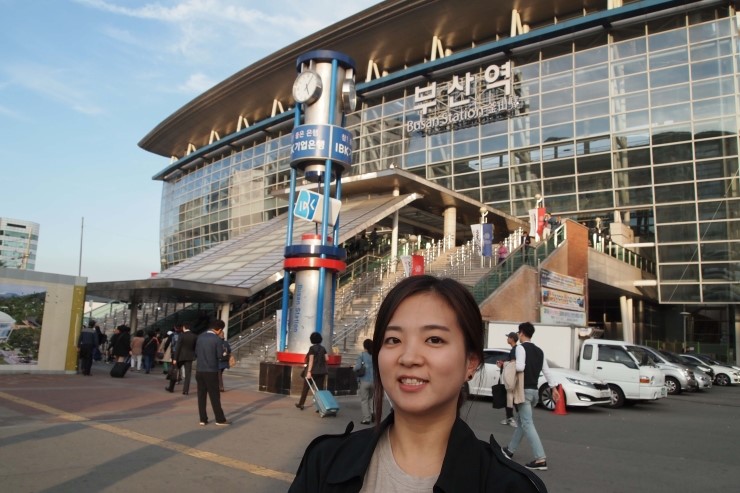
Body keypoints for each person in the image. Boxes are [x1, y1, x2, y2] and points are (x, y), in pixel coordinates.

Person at [289, 275, 547, 492]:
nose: (409, 357)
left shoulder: (511, 487)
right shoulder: (324, 462)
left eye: (434, 339)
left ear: (470, 363)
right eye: (393, 340)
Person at [502, 322, 559, 472]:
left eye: (518, 332)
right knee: (522, 421)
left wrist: (508, 364)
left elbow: (520, 367)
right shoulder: (540, 351)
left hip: (524, 391)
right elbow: (546, 371)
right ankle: (510, 450)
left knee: (527, 423)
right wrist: (554, 388)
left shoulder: (520, 348)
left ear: (521, 333)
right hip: (534, 392)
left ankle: (540, 459)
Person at [194, 319, 230, 426]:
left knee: (201, 395)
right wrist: (226, 355)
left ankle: (203, 419)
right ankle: (220, 419)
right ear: (219, 330)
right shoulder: (217, 339)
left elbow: (196, 352)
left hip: (199, 370)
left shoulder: (200, 337)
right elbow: (220, 356)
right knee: (214, 396)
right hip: (211, 370)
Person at [295, 331, 329, 410]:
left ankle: (301, 404)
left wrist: (309, 372)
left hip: (313, 371)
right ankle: (320, 407)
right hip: (322, 371)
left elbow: (311, 360)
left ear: (312, 340)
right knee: (320, 389)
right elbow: (327, 358)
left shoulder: (312, 348)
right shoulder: (323, 348)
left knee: (306, 388)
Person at [497, 332, 521, 427]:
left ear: (512, 339)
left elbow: (513, 363)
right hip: (514, 378)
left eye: (508, 337)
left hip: (512, 378)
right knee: (513, 398)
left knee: (511, 397)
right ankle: (514, 417)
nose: (507, 339)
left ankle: (511, 418)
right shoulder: (516, 349)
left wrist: (503, 364)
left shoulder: (515, 350)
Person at [167, 322, 197, 395]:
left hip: (180, 356)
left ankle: (171, 388)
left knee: (175, 371)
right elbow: (195, 347)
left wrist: (175, 358)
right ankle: (185, 390)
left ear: (184, 327)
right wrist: (194, 356)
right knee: (188, 374)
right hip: (189, 357)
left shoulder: (181, 335)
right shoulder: (194, 336)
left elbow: (178, 347)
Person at [354, 338, 375, 425]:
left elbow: (358, 367)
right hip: (374, 381)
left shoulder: (362, 355)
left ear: (364, 346)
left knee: (364, 400)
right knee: (370, 398)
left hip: (364, 380)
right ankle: (372, 413)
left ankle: (366, 419)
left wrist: (354, 368)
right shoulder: (375, 355)